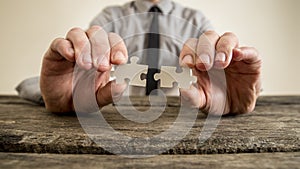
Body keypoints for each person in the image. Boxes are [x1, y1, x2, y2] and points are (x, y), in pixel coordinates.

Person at [39, 0, 262, 115]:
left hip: (182, 119)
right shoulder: (110, 17)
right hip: (118, 117)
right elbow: (84, 69)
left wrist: (228, 88)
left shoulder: (195, 20)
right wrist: (71, 95)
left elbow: (222, 70)